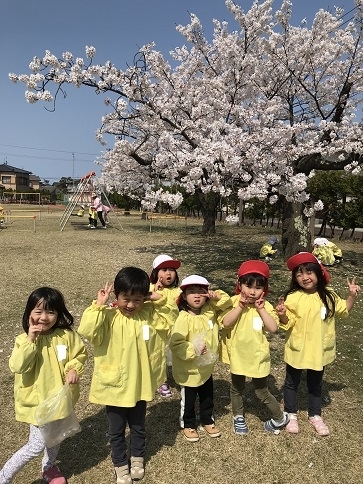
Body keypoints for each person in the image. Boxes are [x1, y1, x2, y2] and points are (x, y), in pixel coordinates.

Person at [78, 267, 178, 484]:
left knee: (138, 426)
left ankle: (137, 458)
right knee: (115, 431)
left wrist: (155, 297)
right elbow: (87, 329)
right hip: (115, 385)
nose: (131, 305)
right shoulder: (107, 317)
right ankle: (120, 464)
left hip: (139, 384)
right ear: (117, 295)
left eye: (138, 299)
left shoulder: (149, 314)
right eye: (126, 298)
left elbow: (171, 316)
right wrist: (99, 305)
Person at [0, 287, 87, 484]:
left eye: (51, 312)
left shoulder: (66, 336)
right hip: (37, 403)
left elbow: (79, 355)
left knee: (55, 437)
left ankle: (49, 466)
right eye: (38, 311)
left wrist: (73, 368)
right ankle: (4, 476)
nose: (44, 317)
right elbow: (17, 366)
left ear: (59, 313)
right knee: (36, 445)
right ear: (29, 313)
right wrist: (31, 339)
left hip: (60, 399)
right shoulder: (23, 340)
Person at [276, 252, 360, 436]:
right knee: (291, 383)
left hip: (319, 350)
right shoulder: (293, 297)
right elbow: (286, 322)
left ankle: (315, 414)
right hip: (298, 349)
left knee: (315, 384)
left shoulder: (329, 295)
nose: (304, 278)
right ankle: (291, 413)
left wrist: (351, 295)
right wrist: (282, 313)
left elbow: (343, 309)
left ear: (318, 273)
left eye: (308, 272)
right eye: (299, 274)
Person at [220, 260, 289, 435]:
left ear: (264, 290)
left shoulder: (265, 306)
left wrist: (261, 310)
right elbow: (226, 323)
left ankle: (280, 417)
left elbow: (273, 328)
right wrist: (240, 306)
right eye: (248, 286)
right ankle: (238, 417)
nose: (252, 291)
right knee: (237, 388)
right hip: (238, 354)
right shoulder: (234, 301)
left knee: (261, 391)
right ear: (239, 285)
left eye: (258, 287)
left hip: (258, 356)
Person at [169, 275, 232, 442]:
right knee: (188, 399)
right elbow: (176, 344)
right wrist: (193, 349)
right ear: (183, 296)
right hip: (188, 369)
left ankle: (207, 419)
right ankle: (188, 423)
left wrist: (217, 296)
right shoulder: (183, 318)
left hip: (206, 367)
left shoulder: (209, 311)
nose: (197, 296)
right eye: (191, 292)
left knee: (207, 396)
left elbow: (227, 302)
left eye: (201, 292)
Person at [149, 254, 181, 398]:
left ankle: (181, 376)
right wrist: (154, 290)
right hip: (156, 330)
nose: (168, 273)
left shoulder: (178, 291)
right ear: (155, 272)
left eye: (172, 270)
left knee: (175, 353)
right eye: (164, 269)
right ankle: (160, 381)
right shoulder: (150, 288)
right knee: (158, 355)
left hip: (174, 328)